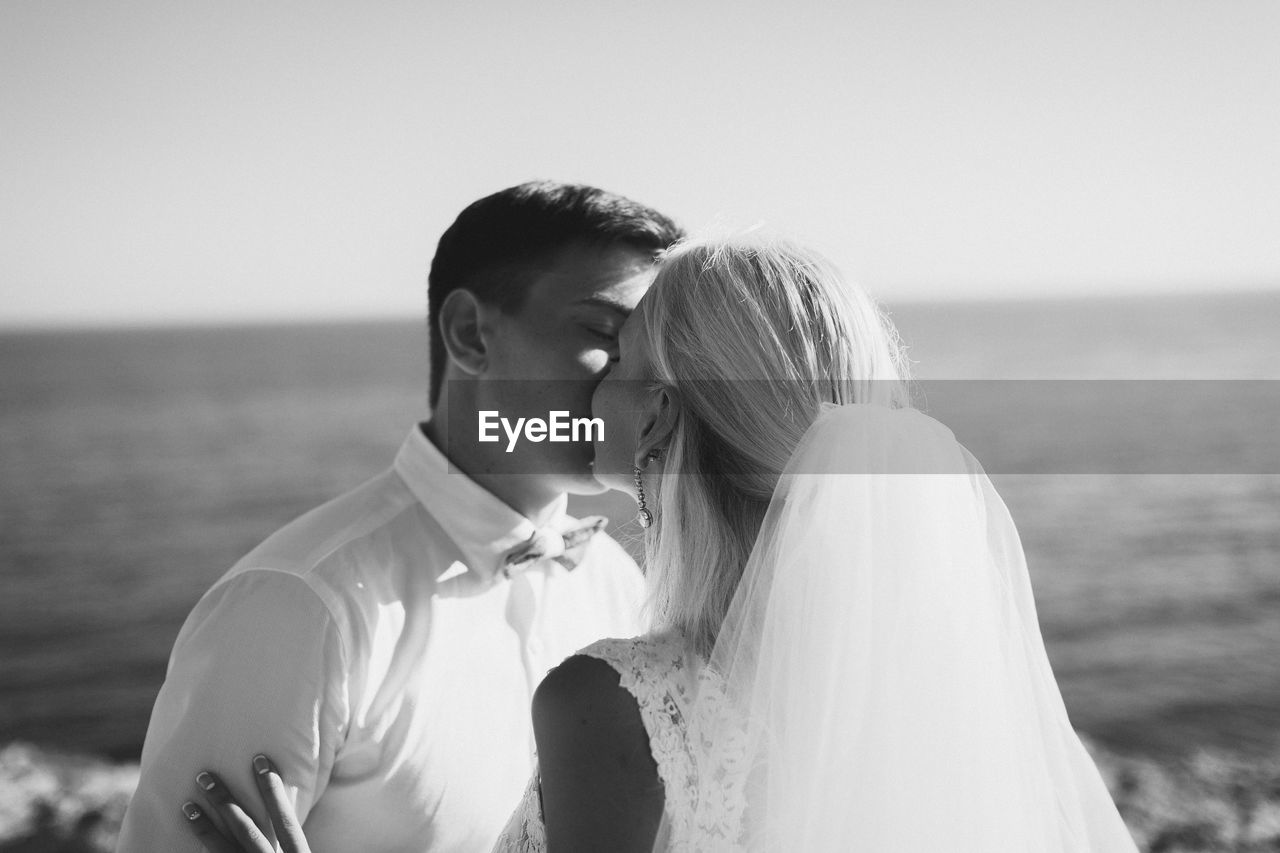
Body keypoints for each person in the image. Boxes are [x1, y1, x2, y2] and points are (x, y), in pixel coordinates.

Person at [181, 235, 1138, 851]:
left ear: (662, 417)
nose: (596, 386)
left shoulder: (618, 699)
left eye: (623, 357)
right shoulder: (951, 684)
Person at [116, 181, 684, 853]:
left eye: (653, 358)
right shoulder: (299, 606)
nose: (639, 385)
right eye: (605, 335)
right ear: (470, 333)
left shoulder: (622, 584)